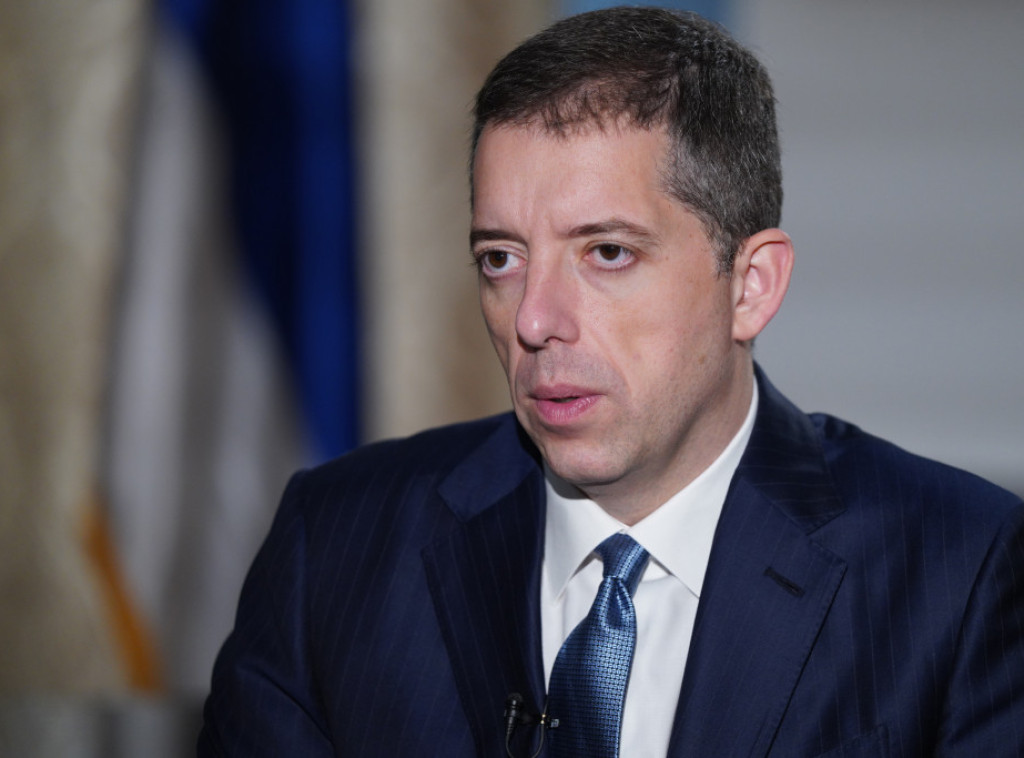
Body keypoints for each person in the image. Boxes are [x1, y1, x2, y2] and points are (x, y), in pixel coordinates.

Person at [197, 7, 1024, 757]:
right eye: (501, 258)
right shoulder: (333, 549)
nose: (533, 319)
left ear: (750, 286)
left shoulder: (960, 572)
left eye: (607, 252)